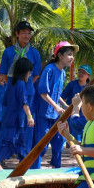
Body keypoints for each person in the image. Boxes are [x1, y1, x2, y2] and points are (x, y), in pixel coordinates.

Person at [0, 21, 42, 156]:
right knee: (9, 123)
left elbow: (36, 75)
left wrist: (25, 84)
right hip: (11, 93)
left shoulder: (35, 53)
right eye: (23, 32)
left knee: (25, 124)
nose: (26, 35)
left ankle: (23, 156)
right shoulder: (8, 52)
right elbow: (3, 74)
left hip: (28, 93)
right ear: (17, 34)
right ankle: (4, 155)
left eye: (29, 33)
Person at [34, 41, 75, 169]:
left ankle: (56, 167)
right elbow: (43, 93)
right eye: (69, 54)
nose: (72, 57)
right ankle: (34, 170)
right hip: (44, 114)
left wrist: (65, 105)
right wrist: (56, 107)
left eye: (72, 55)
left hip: (55, 115)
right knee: (42, 145)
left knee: (58, 142)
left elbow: (56, 95)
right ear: (60, 55)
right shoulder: (49, 69)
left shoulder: (62, 73)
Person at [0, 59, 34, 168]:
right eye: (29, 72)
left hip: (10, 117)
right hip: (16, 119)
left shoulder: (11, 83)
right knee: (10, 141)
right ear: (24, 72)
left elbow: (5, 101)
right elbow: (24, 101)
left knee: (22, 140)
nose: (29, 75)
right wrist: (29, 116)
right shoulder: (20, 84)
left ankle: (23, 162)